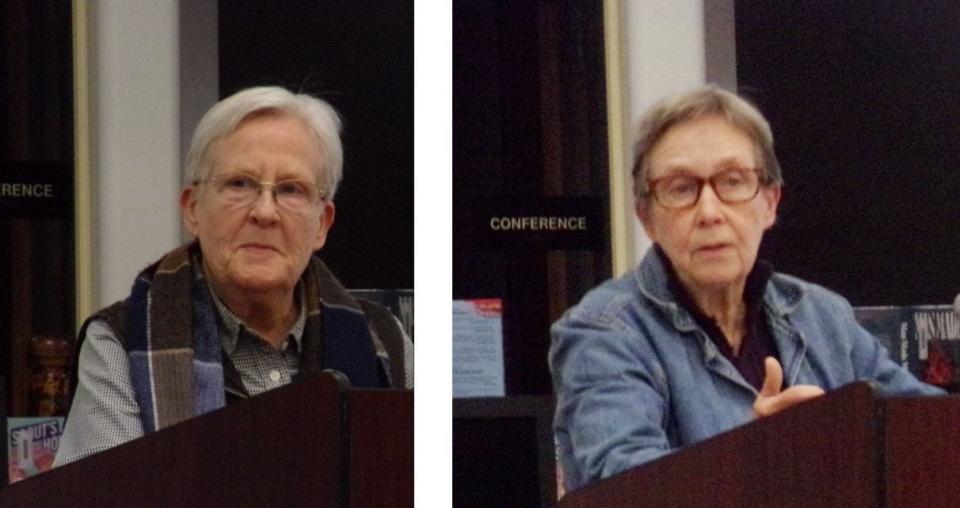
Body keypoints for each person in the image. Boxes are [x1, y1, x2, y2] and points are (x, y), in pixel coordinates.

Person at [549, 85, 943, 493]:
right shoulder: (602, 332)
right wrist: (764, 457)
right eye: (681, 188)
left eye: (733, 182)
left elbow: (927, 429)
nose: (709, 212)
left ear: (769, 203)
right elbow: (626, 489)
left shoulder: (822, 315)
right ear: (646, 218)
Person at [55, 86, 412, 466]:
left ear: (322, 224)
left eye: (291, 190)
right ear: (192, 208)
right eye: (239, 184)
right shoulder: (120, 344)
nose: (264, 212)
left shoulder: (385, 340)